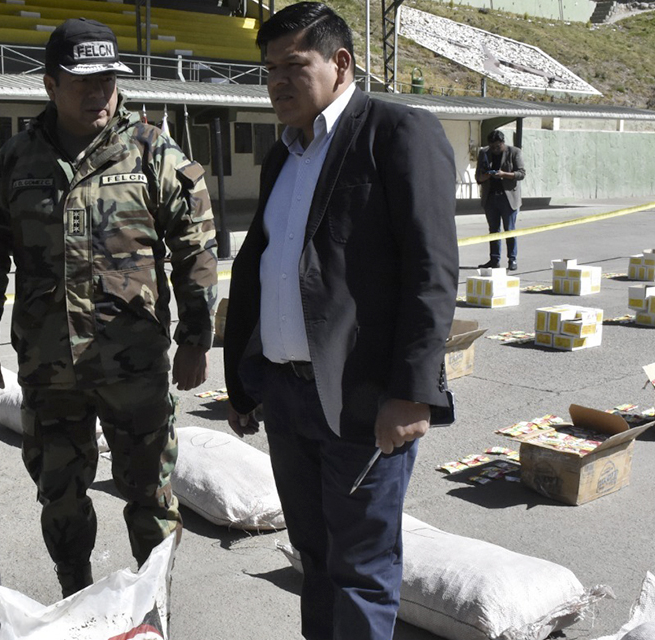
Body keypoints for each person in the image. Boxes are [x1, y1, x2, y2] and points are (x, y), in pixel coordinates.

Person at [222, 3, 457, 639]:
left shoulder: (397, 132)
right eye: (268, 69)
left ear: (341, 63)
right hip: (287, 396)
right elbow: (264, 266)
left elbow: (431, 273)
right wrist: (244, 383)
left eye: (293, 66)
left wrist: (412, 392)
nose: (276, 82)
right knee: (316, 559)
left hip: (363, 401)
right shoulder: (283, 155)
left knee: (361, 568)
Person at [0, 18, 217, 598]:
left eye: (109, 78)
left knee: (150, 494)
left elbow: (196, 249)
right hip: (51, 369)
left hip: (136, 367)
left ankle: (152, 609)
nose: (100, 92)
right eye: (84, 81)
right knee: (60, 492)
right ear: (50, 85)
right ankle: (76, 599)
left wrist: (197, 338)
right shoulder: (15, 163)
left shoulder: (154, 152)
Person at [475, 129, 525, 271]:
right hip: (490, 198)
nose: (495, 150)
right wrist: (488, 175)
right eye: (492, 147)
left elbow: (521, 173)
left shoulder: (514, 152)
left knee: (509, 230)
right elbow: (478, 176)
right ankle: (494, 259)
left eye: (498, 146)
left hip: (508, 198)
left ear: (503, 143)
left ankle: (512, 260)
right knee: (493, 230)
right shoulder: (484, 153)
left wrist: (504, 174)